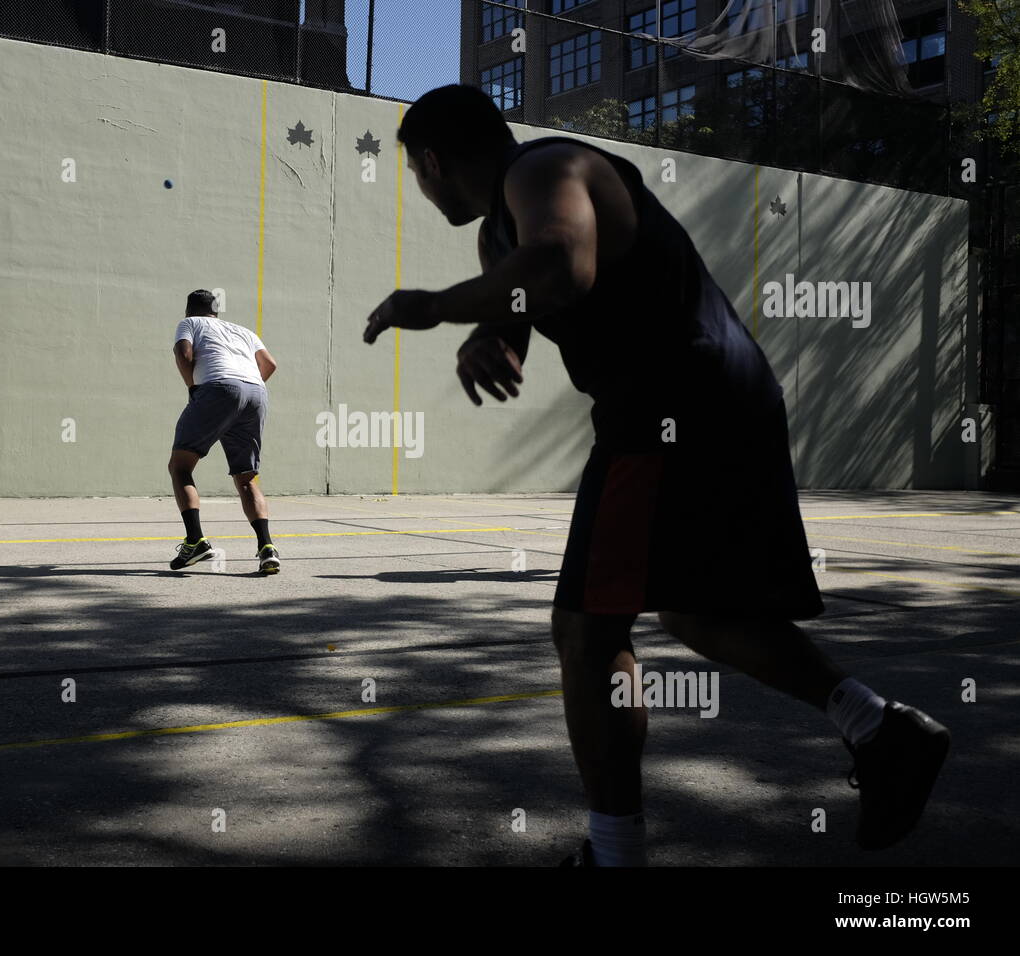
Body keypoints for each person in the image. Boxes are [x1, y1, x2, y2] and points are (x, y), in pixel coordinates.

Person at [362, 85, 949, 866]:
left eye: (415, 172)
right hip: (720, 398)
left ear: (431, 160)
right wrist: (495, 340)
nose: (420, 187)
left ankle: (614, 855)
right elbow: (526, 296)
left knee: (587, 630)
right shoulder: (503, 227)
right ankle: (882, 729)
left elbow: (562, 266)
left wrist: (436, 308)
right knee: (693, 612)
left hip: (670, 404)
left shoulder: (543, 168)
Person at [169, 289, 280, 574]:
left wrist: (193, 388)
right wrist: (244, 388)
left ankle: (195, 540)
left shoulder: (190, 323)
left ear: (188, 308)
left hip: (217, 389)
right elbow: (269, 364)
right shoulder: (243, 331)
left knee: (180, 467)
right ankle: (266, 547)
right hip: (256, 392)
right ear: (216, 311)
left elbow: (183, 353)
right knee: (247, 476)